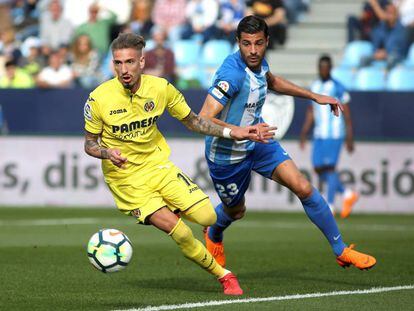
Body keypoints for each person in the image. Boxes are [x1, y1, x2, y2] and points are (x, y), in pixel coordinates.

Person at [83, 33, 274, 295]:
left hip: (158, 167)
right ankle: (225, 276)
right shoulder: (99, 98)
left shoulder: (161, 88)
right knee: (181, 232)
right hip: (126, 179)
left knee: (208, 216)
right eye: (117, 63)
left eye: (129, 62)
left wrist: (234, 132)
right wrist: (107, 153)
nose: (123, 70)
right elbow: (89, 144)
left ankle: (176, 212)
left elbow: (194, 121)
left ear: (141, 62)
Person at [200, 16, 376, 271]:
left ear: (267, 41)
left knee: (303, 187)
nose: (253, 50)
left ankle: (341, 250)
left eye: (259, 43)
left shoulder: (258, 63)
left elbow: (271, 81)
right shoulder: (231, 75)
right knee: (236, 211)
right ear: (237, 42)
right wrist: (240, 131)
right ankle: (214, 232)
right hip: (227, 154)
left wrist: (313, 96)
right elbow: (203, 118)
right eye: (246, 44)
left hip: (258, 139)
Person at [300, 55, 358, 218]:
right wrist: (304, 132)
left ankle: (330, 205)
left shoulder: (338, 87)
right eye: (321, 67)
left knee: (330, 168)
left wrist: (350, 136)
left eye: (326, 67)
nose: (323, 70)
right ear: (318, 68)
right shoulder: (315, 85)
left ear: (330, 68)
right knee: (318, 168)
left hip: (334, 134)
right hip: (319, 134)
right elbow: (311, 111)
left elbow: (347, 114)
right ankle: (346, 193)